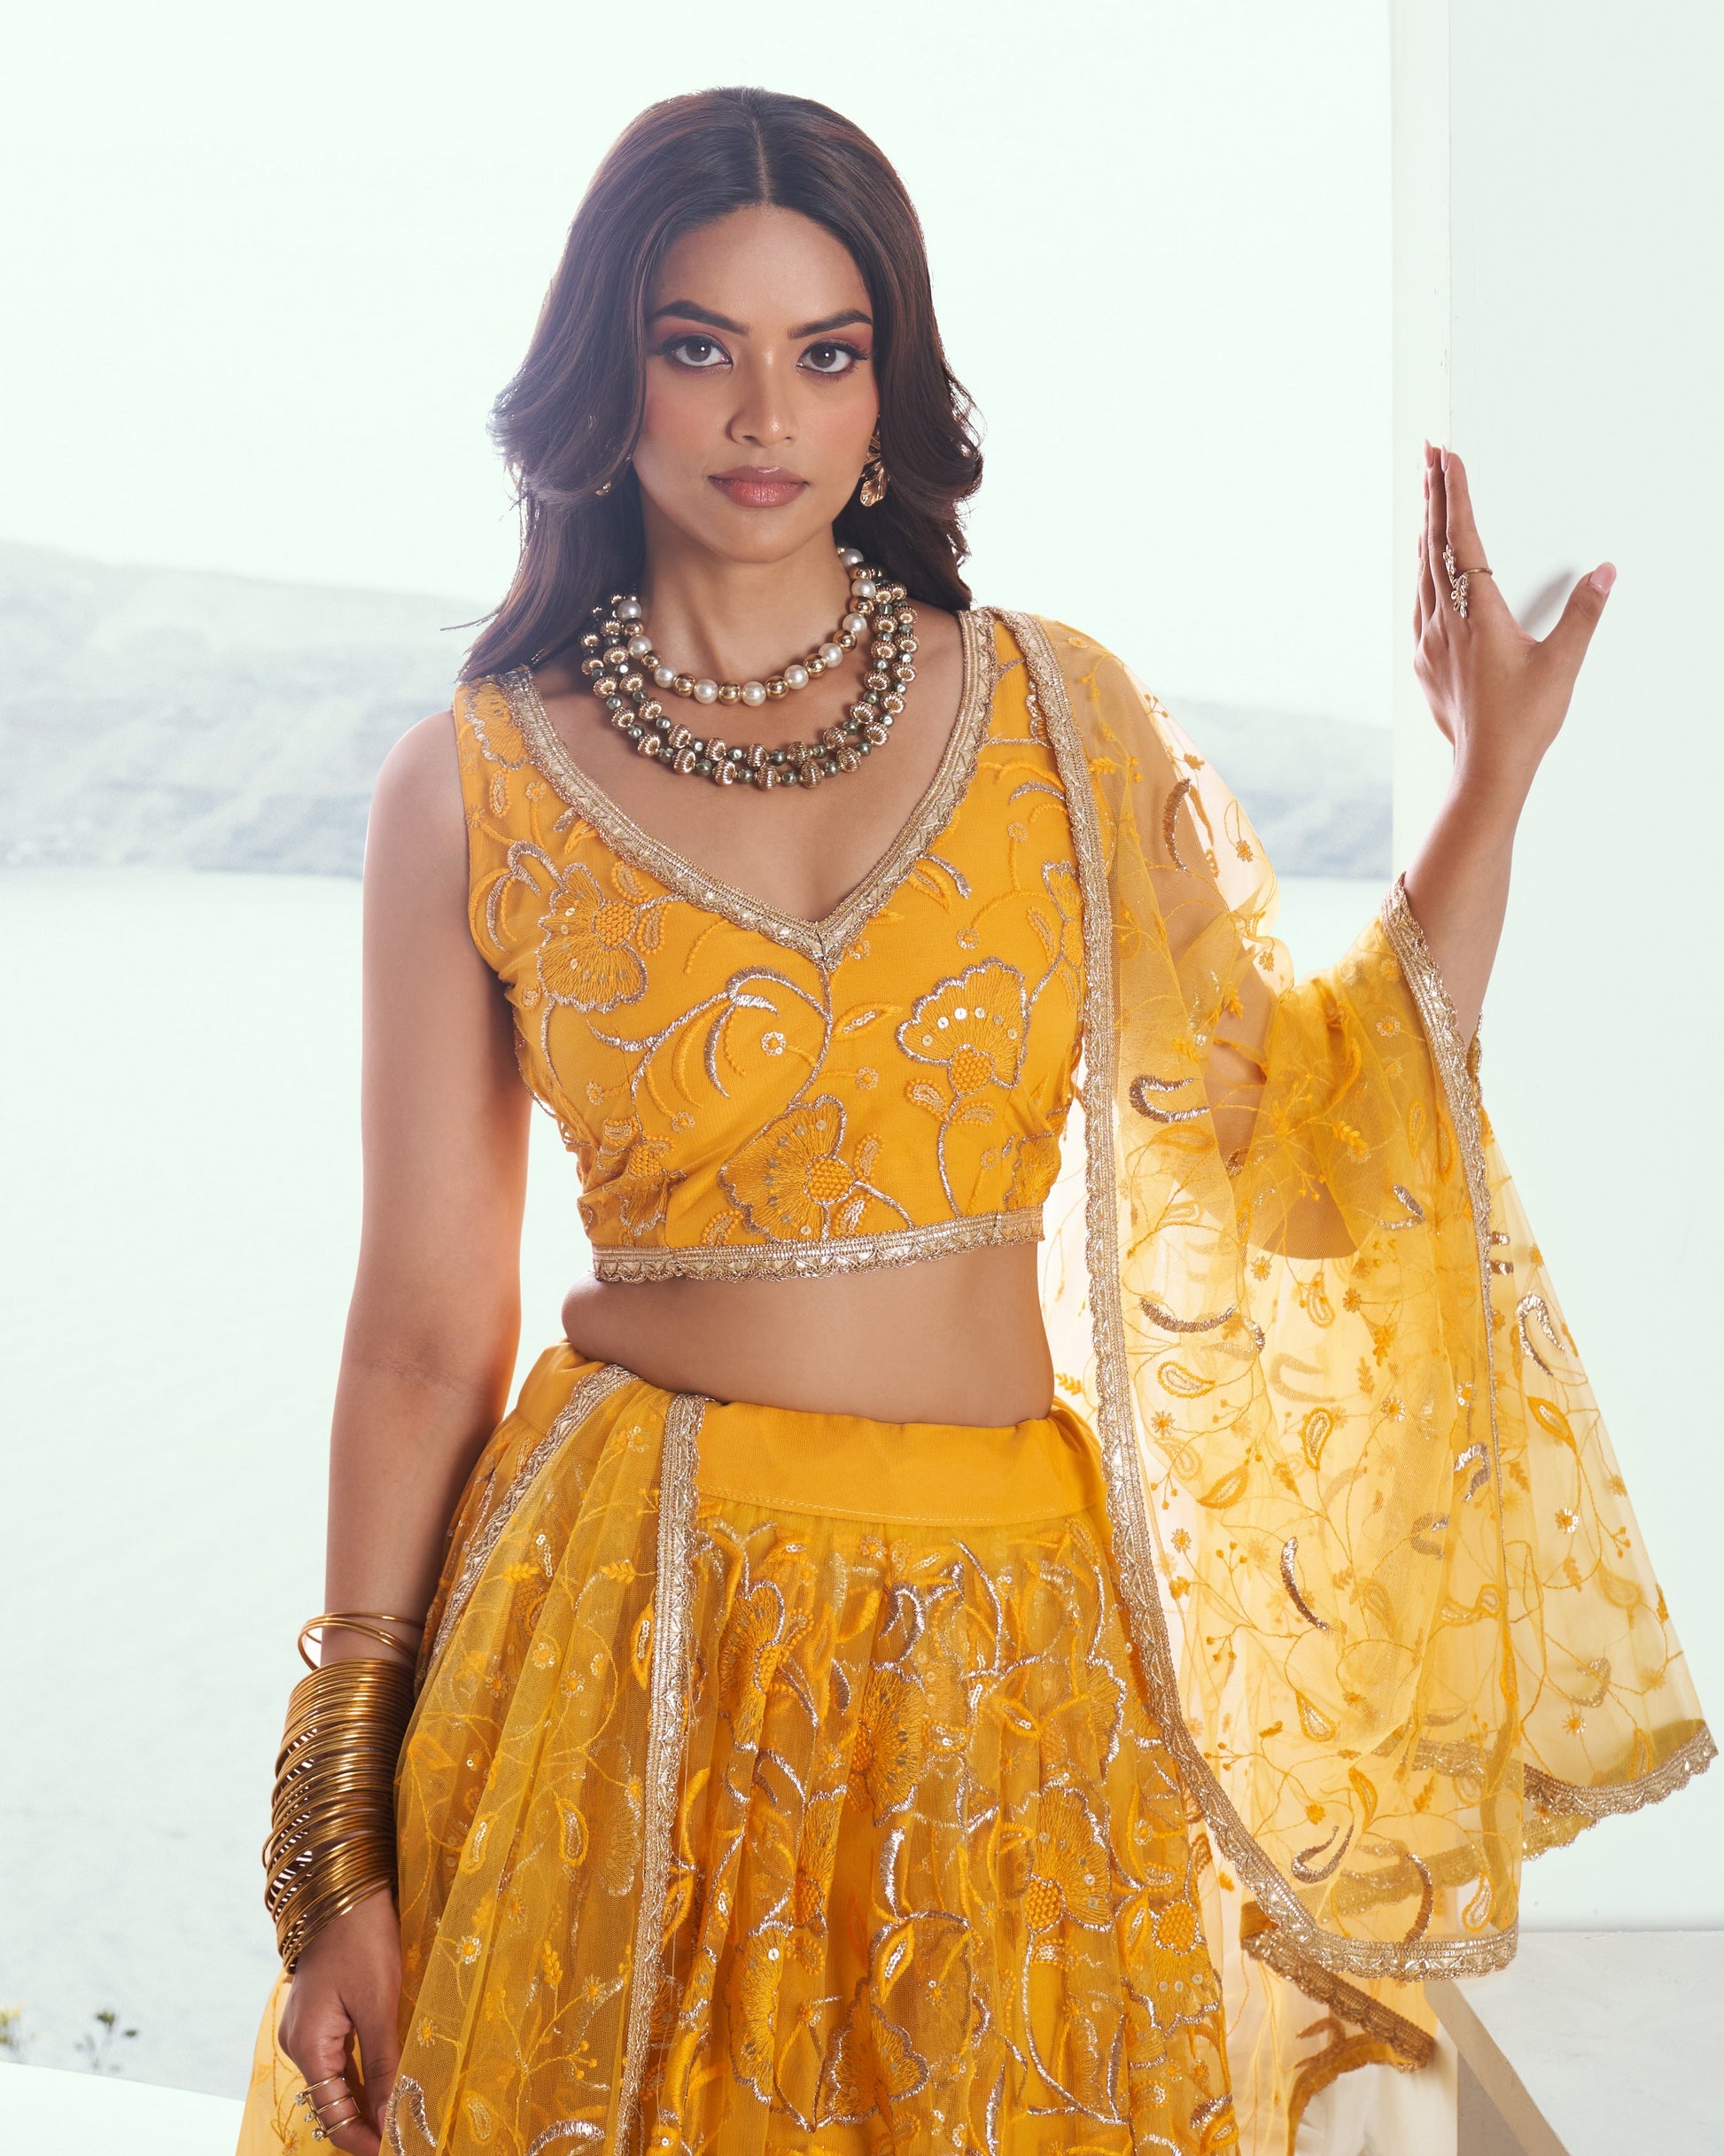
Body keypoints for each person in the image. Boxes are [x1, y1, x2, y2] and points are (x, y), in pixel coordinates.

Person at [236, 86, 1712, 2156]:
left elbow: (1309, 1161)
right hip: (635, 1631)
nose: (767, 411)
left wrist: (1491, 783)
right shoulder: (472, 784)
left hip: (1010, 1645)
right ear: (604, 377)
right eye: (697, 343)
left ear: (887, 389)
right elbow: (414, 1340)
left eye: (826, 350)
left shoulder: (1054, 716)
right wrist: (337, 1850)